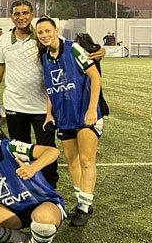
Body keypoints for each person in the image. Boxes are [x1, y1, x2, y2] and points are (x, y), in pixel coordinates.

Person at [0, 0, 62, 188]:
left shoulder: (42, 37)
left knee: (47, 151)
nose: (21, 17)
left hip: (43, 108)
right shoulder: (4, 40)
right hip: (14, 106)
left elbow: (64, 50)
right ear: (11, 16)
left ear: (32, 15)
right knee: (20, 152)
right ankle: (27, 189)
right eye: (17, 14)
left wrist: (98, 52)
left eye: (25, 13)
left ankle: (50, 189)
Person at [37, 17, 103, 227]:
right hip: (64, 116)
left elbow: (95, 77)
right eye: (40, 33)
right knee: (72, 160)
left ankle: (84, 207)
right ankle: (82, 202)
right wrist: (49, 114)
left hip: (84, 114)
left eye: (48, 31)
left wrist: (92, 108)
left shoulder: (73, 48)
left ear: (56, 30)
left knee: (86, 160)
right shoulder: (45, 56)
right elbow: (50, 87)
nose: (45, 35)